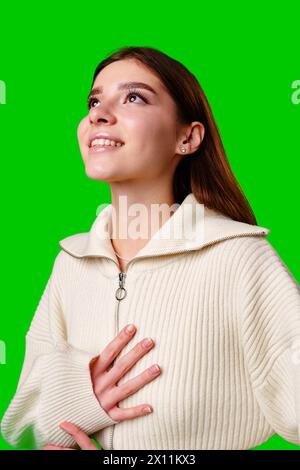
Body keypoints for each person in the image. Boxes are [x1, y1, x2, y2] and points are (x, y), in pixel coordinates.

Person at [1, 46, 300, 451]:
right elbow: (22, 432)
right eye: (94, 100)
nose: (98, 114)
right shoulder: (71, 264)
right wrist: (79, 397)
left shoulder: (240, 257)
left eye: (133, 97)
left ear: (187, 137)